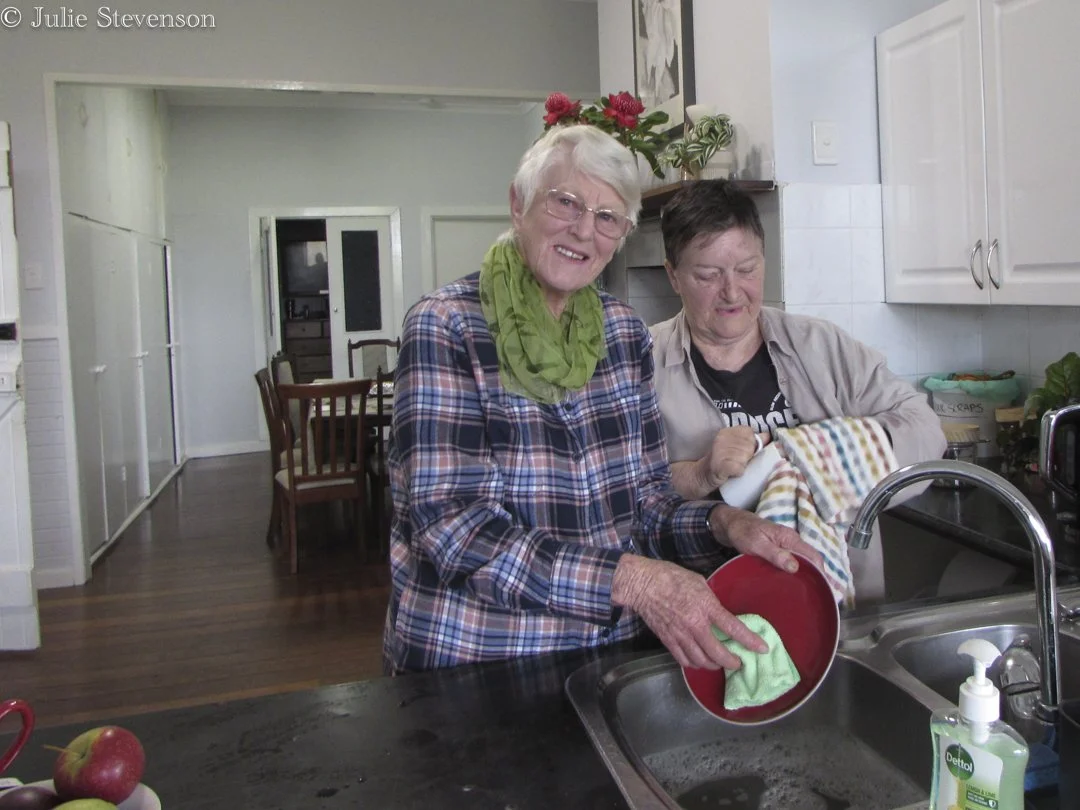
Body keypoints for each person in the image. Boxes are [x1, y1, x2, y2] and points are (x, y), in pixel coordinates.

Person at [383, 125, 822, 675]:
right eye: (566, 202)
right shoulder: (448, 326)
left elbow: (644, 504)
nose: (584, 231)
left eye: (608, 217)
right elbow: (453, 528)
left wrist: (725, 524)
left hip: (606, 656)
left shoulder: (621, 335)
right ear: (519, 205)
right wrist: (634, 581)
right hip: (481, 662)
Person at [649, 179, 946, 597]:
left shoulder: (821, 346)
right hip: (709, 611)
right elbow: (622, 498)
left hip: (840, 605)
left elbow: (924, 429)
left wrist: (812, 450)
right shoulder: (643, 364)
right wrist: (701, 474)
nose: (732, 291)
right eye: (707, 275)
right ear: (673, 277)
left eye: (747, 269)